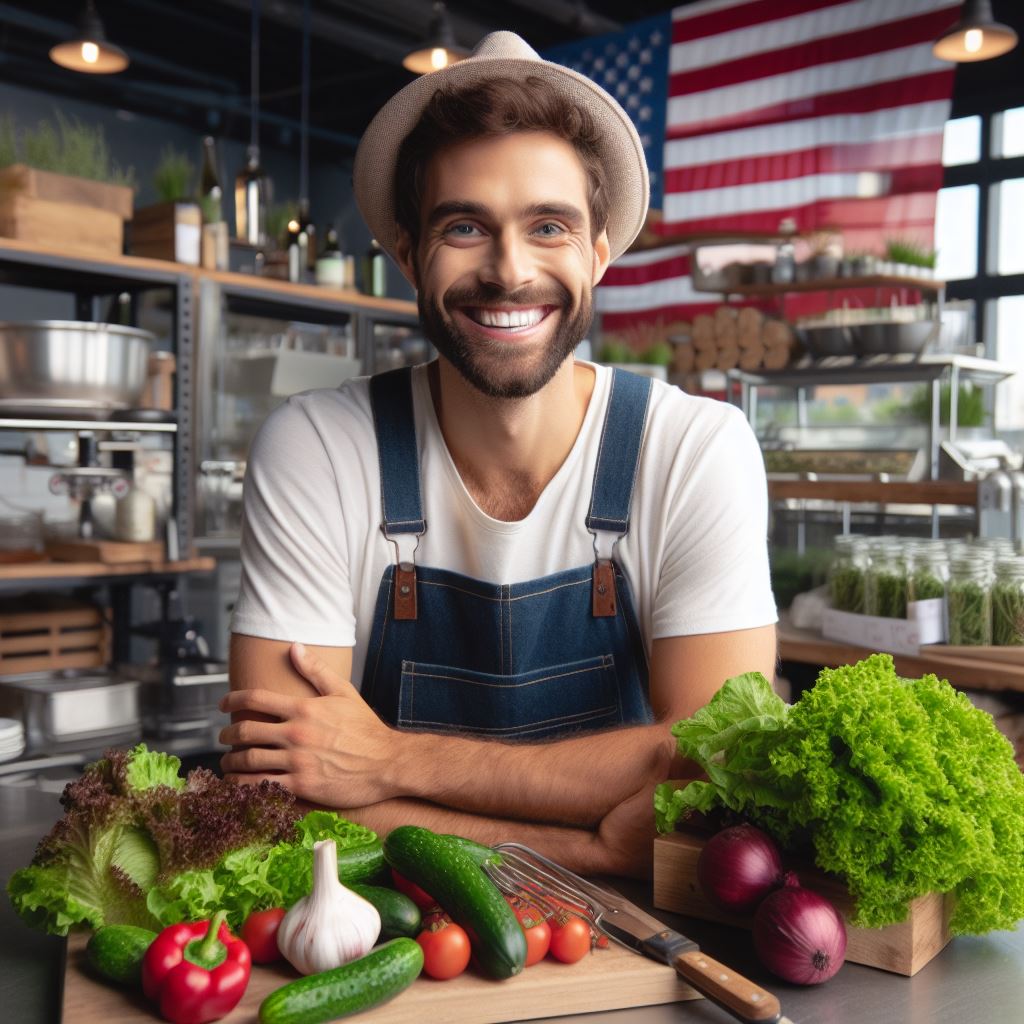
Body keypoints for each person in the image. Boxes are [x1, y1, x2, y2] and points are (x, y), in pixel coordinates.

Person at [219, 31, 777, 877]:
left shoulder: (695, 449)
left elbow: (711, 768)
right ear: (409, 254)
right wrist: (586, 844)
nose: (509, 271)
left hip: (636, 956)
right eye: (466, 226)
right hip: (391, 947)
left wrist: (390, 765)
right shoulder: (319, 448)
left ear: (597, 252)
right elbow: (281, 793)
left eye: (548, 225)